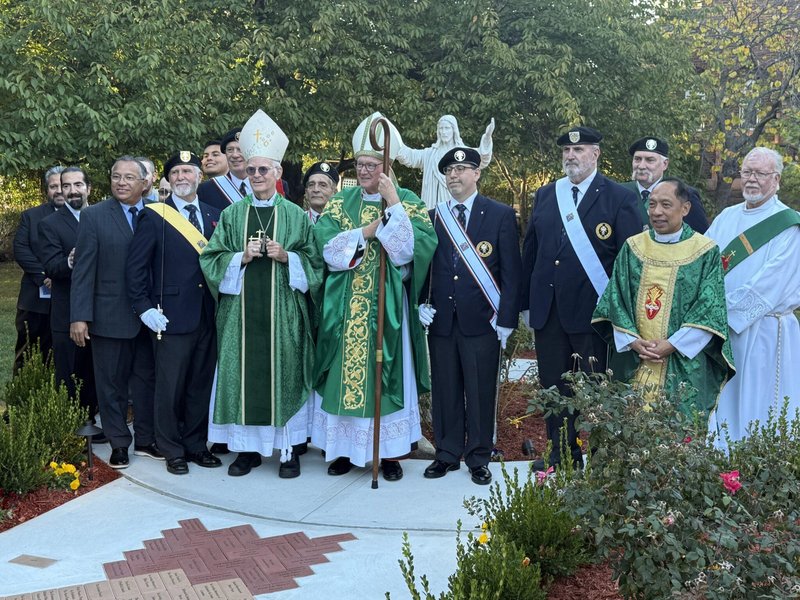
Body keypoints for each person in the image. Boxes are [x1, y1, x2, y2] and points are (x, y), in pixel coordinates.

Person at [311, 111, 437, 481]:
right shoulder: (340, 202)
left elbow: (414, 250)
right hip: (346, 306)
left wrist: (393, 204)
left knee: (389, 376)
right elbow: (328, 249)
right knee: (341, 376)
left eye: (372, 164)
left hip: (388, 308)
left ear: (386, 166)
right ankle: (344, 452)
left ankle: (392, 453)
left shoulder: (407, 199)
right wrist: (366, 231)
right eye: (361, 164)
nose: (365, 170)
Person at [200, 109, 323, 478]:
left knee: (284, 375)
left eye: (263, 170)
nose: (256, 176)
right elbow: (210, 259)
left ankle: (288, 450)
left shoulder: (297, 216)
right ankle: (246, 451)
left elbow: (315, 265)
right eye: (251, 170)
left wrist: (288, 257)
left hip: (283, 317)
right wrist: (241, 257)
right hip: (240, 317)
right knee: (242, 377)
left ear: (278, 173)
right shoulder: (233, 215)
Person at [521, 126, 642, 468]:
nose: (571, 156)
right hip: (550, 313)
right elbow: (531, 251)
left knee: (598, 391)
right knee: (554, 390)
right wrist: (525, 305)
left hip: (595, 315)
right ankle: (561, 454)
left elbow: (628, 262)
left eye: (579, 150)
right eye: (566, 151)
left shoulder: (619, 197)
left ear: (596, 154)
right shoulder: (547, 194)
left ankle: (603, 460)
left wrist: (623, 313)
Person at [420, 147, 521, 485]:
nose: (454, 175)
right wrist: (423, 301)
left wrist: (506, 318)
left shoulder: (500, 214)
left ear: (477, 174)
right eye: (449, 170)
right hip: (443, 321)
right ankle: (446, 453)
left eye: (462, 169)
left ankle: (478, 456)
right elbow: (426, 265)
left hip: (482, 321)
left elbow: (511, 272)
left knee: (479, 391)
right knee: (445, 390)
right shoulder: (434, 216)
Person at [592, 178, 734, 417]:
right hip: (635, 356)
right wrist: (633, 341)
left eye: (666, 205)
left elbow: (710, 308)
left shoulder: (705, 251)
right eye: (652, 204)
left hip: (682, 359)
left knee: (679, 428)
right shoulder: (633, 247)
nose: (656, 212)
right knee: (628, 427)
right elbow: (615, 299)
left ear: (685, 208)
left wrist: (672, 344)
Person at [126, 151, 222, 475]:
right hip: (169, 317)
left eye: (188, 171)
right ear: (168, 179)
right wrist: (145, 310)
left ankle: (196, 445)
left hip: (208, 314)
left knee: (199, 385)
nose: (182, 177)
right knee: (169, 388)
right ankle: (171, 449)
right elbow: (135, 270)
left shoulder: (213, 215)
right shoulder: (155, 216)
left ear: (199, 176)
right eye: (176, 172)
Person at [706, 147, 800, 448]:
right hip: (724, 331)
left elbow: (771, 283)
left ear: (776, 179)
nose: (751, 179)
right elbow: (703, 265)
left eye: (760, 173)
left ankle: (763, 467)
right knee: (727, 399)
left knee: (762, 403)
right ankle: (724, 465)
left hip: (766, 333)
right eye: (747, 172)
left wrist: (721, 310)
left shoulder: (789, 225)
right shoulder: (726, 217)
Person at [70, 156, 160, 469]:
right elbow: (83, 270)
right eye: (116, 177)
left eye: (129, 178)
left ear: (145, 182)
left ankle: (146, 441)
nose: (121, 183)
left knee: (147, 383)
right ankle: (119, 443)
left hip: (150, 319)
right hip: (109, 317)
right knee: (111, 385)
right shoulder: (93, 216)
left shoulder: (159, 213)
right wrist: (79, 316)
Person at [37, 167, 100, 433]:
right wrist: (70, 261)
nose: (72, 190)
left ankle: (94, 422)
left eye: (78, 185)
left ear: (88, 188)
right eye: (66, 186)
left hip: (102, 309)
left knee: (97, 371)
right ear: (60, 190)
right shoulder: (49, 225)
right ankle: (70, 430)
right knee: (70, 373)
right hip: (68, 313)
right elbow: (51, 267)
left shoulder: (102, 216)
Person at [12, 165, 63, 372]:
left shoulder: (85, 215)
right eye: (53, 187)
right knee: (28, 350)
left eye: (62, 185)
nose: (58, 190)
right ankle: (24, 395)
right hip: (35, 298)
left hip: (69, 298)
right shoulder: (31, 216)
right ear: (47, 190)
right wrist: (45, 276)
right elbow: (21, 249)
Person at [396, 115, 494, 210]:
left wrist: (487, 137)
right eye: (441, 129)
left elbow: (482, 158)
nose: (443, 132)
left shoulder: (463, 153)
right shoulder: (430, 154)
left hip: (456, 204)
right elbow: (410, 157)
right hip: (432, 206)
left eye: (447, 128)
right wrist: (392, 138)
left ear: (454, 130)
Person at [623, 137, 709, 233]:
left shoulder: (684, 193)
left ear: (665, 164)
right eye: (637, 159)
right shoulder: (618, 193)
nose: (641, 166)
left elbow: (701, 236)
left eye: (650, 160)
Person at [197, 127, 252, 211]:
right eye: (230, 150)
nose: (235, 155)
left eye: (240, 149)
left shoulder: (268, 185)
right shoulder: (206, 190)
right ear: (225, 154)